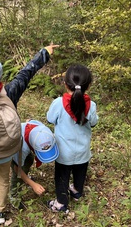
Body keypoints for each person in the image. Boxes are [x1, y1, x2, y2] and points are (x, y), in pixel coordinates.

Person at [0, 44, 59, 226]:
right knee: (2, 181)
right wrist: (44, 53)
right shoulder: (10, 92)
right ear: (1, 77)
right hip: (6, 150)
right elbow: (26, 73)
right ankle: (0, 213)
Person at [46, 64, 99, 213]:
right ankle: (76, 191)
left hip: (63, 153)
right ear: (88, 86)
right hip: (83, 151)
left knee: (62, 177)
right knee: (80, 173)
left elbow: (50, 119)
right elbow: (94, 122)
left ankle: (61, 203)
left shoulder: (58, 103)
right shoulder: (91, 105)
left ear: (65, 84)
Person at [9, 119, 59, 209]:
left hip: (25, 141)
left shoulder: (42, 130)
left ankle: (25, 178)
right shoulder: (21, 148)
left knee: (29, 159)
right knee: (19, 172)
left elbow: (29, 120)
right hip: (10, 145)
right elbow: (17, 169)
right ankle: (14, 196)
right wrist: (32, 184)